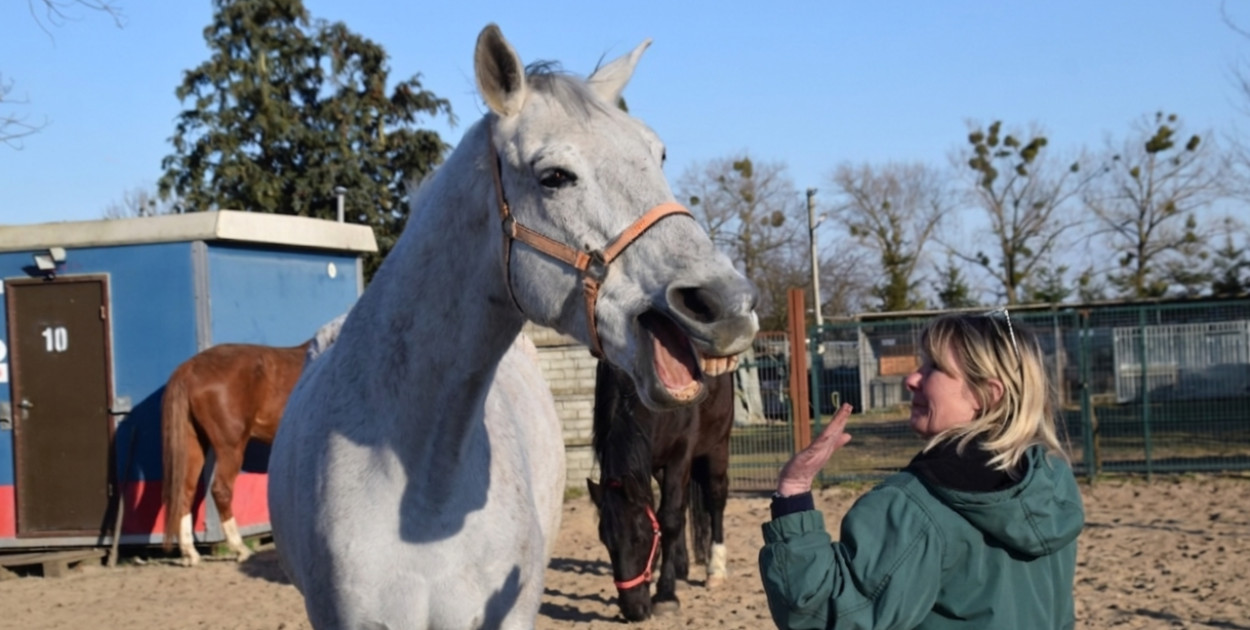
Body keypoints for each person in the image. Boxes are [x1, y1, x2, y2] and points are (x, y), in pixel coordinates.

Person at [759, 311, 1085, 629]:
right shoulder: (1051, 480)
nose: (912, 379)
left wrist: (793, 492)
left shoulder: (914, 506)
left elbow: (824, 614)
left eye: (934, 368)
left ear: (986, 394)